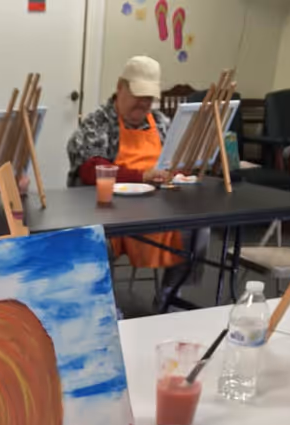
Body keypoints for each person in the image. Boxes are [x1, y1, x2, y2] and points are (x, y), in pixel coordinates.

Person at [67, 56, 207, 298]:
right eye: (138, 96)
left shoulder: (161, 122)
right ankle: (105, 303)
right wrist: (141, 175)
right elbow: (91, 168)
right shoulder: (98, 122)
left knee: (198, 230)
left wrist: (182, 171)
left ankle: (171, 294)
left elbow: (176, 161)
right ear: (120, 87)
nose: (143, 104)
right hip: (107, 210)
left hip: (156, 208)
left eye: (148, 98)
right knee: (97, 240)